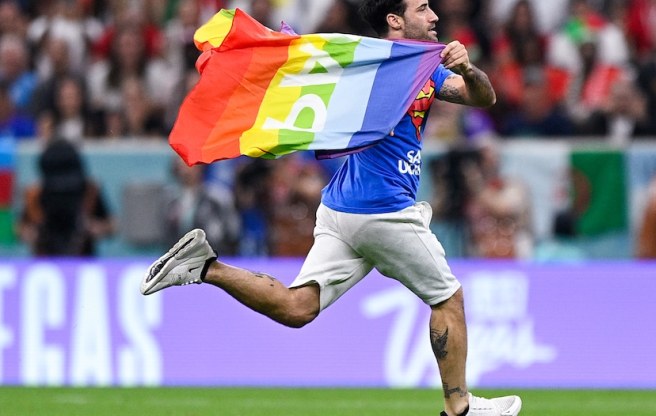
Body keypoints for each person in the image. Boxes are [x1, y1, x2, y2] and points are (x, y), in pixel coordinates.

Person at [140, 1, 521, 415]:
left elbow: (483, 97)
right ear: (395, 20)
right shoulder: (362, 63)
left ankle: (205, 266)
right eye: (422, 8)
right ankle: (459, 408)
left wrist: (468, 69)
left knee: (297, 307)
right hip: (382, 208)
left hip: (341, 208)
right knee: (448, 299)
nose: (434, 17)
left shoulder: (422, 67)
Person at [17, 138, 114, 256]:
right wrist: (33, 233)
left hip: (83, 260)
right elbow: (20, 228)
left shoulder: (90, 192)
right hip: (44, 261)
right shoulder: (35, 194)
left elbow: (112, 225)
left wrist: (93, 227)